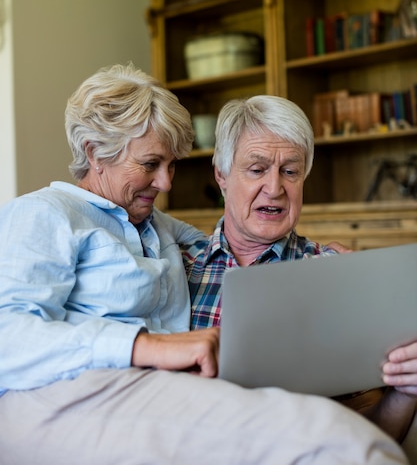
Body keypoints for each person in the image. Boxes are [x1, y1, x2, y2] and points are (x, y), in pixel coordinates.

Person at [0, 64, 406, 465]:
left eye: (172, 165)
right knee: (336, 442)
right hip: (76, 398)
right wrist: (152, 346)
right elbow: (9, 333)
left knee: (339, 439)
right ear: (94, 153)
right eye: (149, 164)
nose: (166, 183)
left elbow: (235, 238)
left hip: (168, 409)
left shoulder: (159, 230)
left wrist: (339, 269)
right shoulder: (48, 213)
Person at [183, 94, 417, 448]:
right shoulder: (175, 267)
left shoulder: (336, 276)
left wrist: (406, 392)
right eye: (257, 169)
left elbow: (366, 441)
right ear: (222, 175)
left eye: (290, 171)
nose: (275, 189)